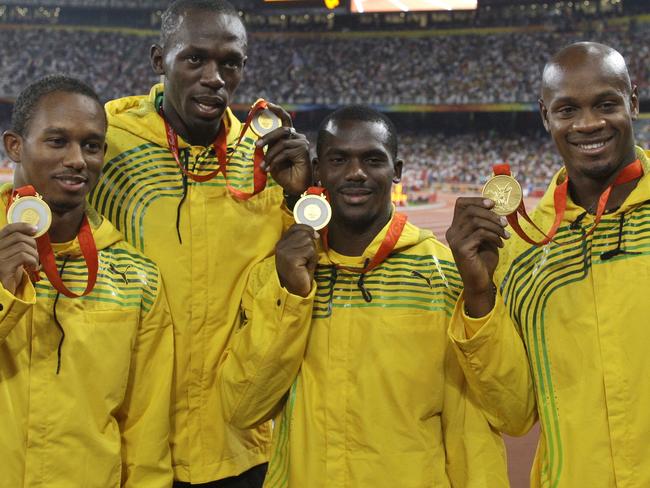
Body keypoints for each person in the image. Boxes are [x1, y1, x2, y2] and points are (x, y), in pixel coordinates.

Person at [218, 106, 515, 487]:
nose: (356, 172)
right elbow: (242, 408)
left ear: (397, 171)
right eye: (339, 159)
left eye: (373, 159)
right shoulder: (278, 276)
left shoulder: (446, 275)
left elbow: (506, 415)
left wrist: (479, 294)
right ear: (318, 169)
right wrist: (291, 296)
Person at [89, 0, 311, 486]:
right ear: (158, 60)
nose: (214, 76)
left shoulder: (267, 160)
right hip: (132, 446)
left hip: (239, 445)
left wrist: (303, 195)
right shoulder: (105, 145)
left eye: (229, 62)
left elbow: (304, 276)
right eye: (194, 59)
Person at [446, 42, 650, 487]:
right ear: (545, 116)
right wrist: (480, 296)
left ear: (633, 101)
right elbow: (514, 413)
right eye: (567, 109)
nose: (589, 123)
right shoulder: (523, 252)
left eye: (606, 104)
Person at [0, 75, 174, 487]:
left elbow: (145, 431)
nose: (78, 159)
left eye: (92, 145)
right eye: (58, 141)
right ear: (15, 146)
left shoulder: (137, 277)